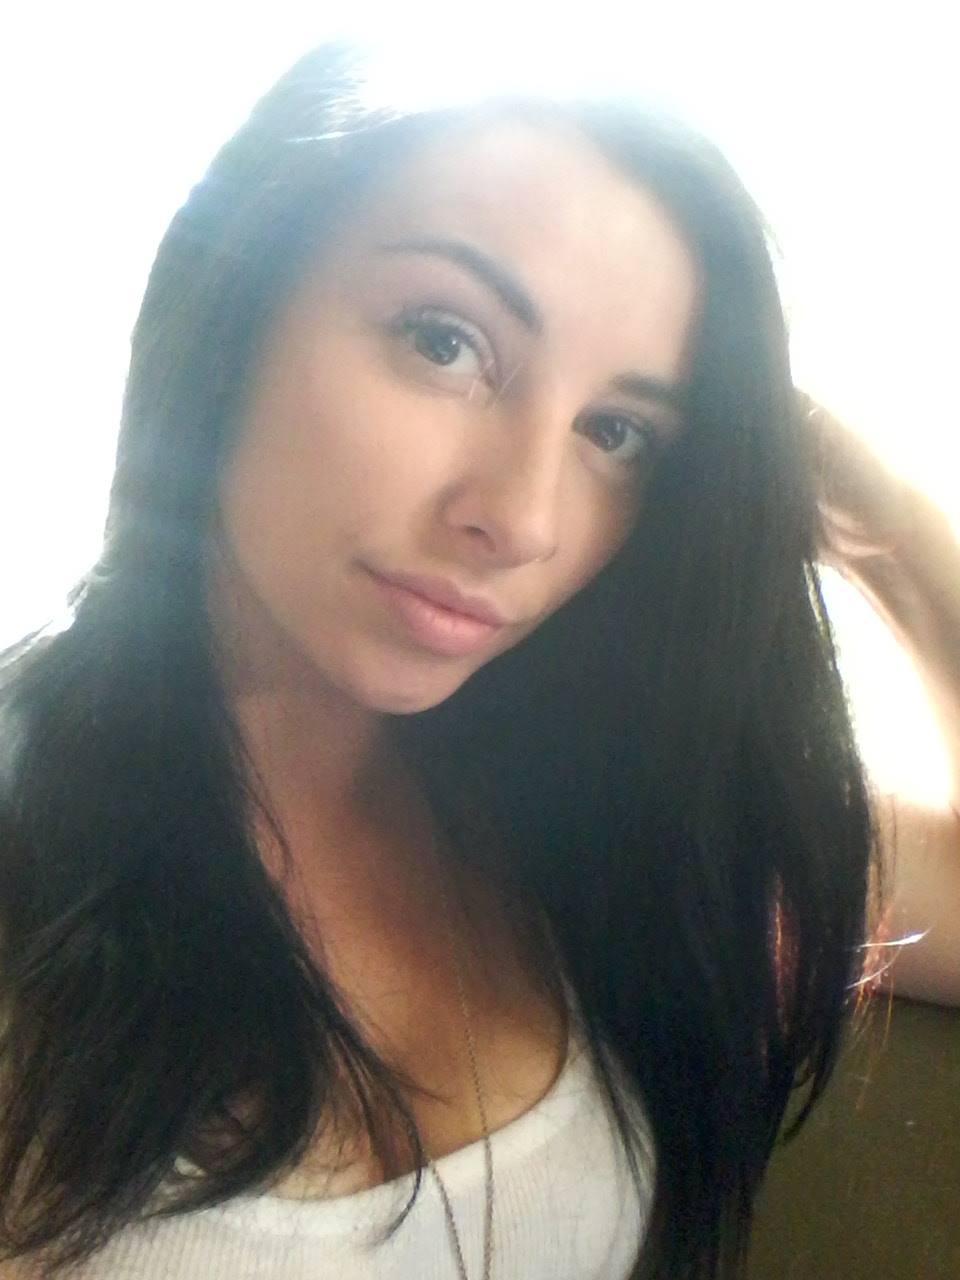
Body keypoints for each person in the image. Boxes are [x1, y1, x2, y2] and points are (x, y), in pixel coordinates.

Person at [0, 37, 956, 1280]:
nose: (524, 517)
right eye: (445, 341)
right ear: (231, 300)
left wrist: (874, 511)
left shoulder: (622, 820)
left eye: (619, 431)